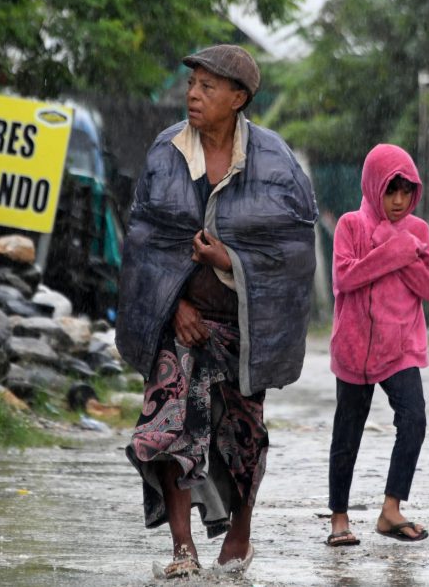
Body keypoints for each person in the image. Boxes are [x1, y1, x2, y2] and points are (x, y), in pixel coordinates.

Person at [115, 44, 318, 578]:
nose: (194, 94)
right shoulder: (167, 152)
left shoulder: (276, 164)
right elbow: (145, 242)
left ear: (239, 98)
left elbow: (291, 253)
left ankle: (241, 533)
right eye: (192, 84)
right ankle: (182, 549)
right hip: (178, 326)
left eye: (208, 86)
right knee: (167, 426)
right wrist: (175, 302)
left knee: (241, 437)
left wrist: (229, 260)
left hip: (245, 329)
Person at [324, 144, 429, 547]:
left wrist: (405, 247)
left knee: (414, 419)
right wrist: (397, 249)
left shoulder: (419, 231)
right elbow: (345, 279)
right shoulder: (350, 226)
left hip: (401, 347)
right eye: (391, 191)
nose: (398, 201)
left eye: (406, 192)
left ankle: (391, 509)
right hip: (354, 347)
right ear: (374, 187)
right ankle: (339, 517)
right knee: (348, 432)